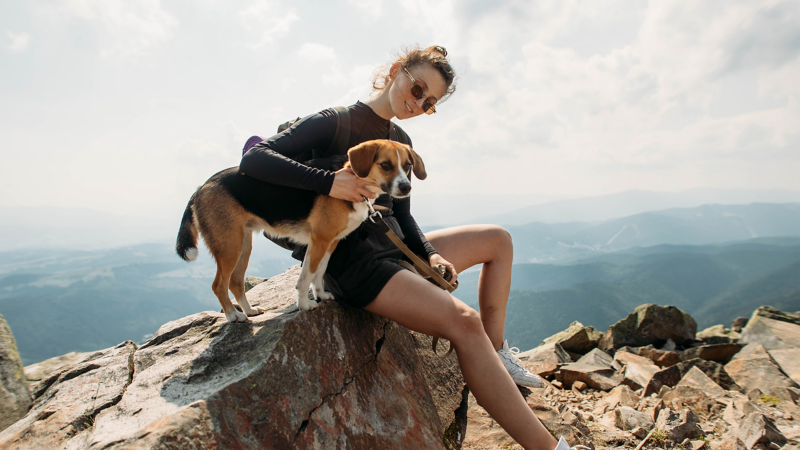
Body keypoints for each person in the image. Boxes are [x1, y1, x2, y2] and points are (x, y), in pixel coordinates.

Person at [239, 45, 582, 450]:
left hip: (391, 246)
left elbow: (402, 216)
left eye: (430, 102)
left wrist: (431, 254)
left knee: (498, 240)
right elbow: (254, 159)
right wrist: (329, 183)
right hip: (351, 262)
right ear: (397, 71)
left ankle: (497, 356)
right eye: (418, 88)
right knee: (464, 322)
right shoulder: (335, 123)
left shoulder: (399, 138)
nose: (419, 103)